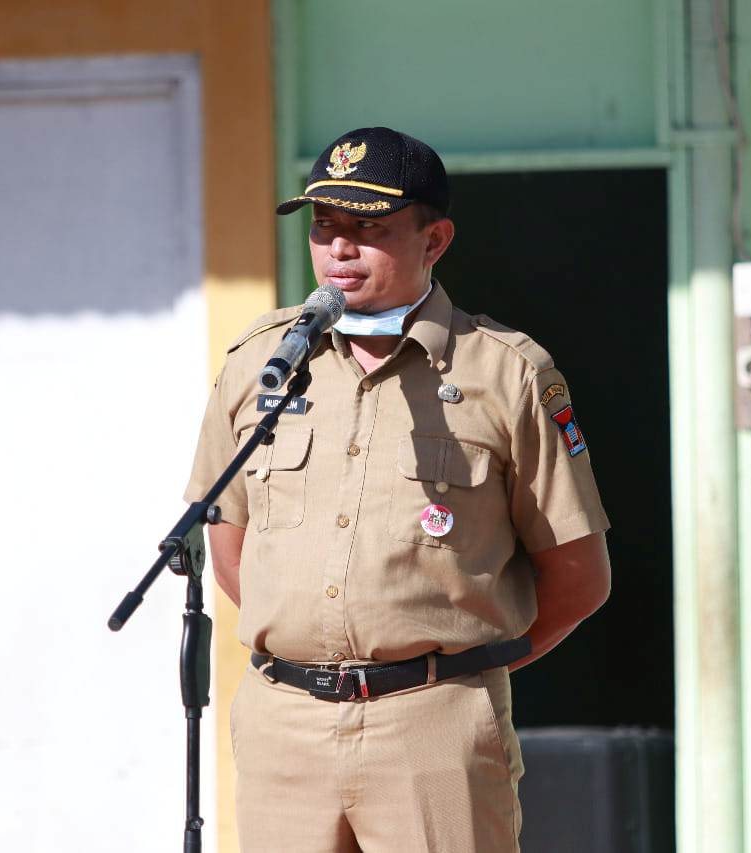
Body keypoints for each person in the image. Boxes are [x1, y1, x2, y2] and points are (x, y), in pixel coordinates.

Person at [184, 126, 611, 853]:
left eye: (368, 227)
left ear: (434, 239)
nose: (338, 249)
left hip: (433, 726)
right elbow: (230, 548)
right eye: (325, 225)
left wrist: (452, 673)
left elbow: (578, 576)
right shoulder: (264, 362)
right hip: (285, 726)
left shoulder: (507, 372)